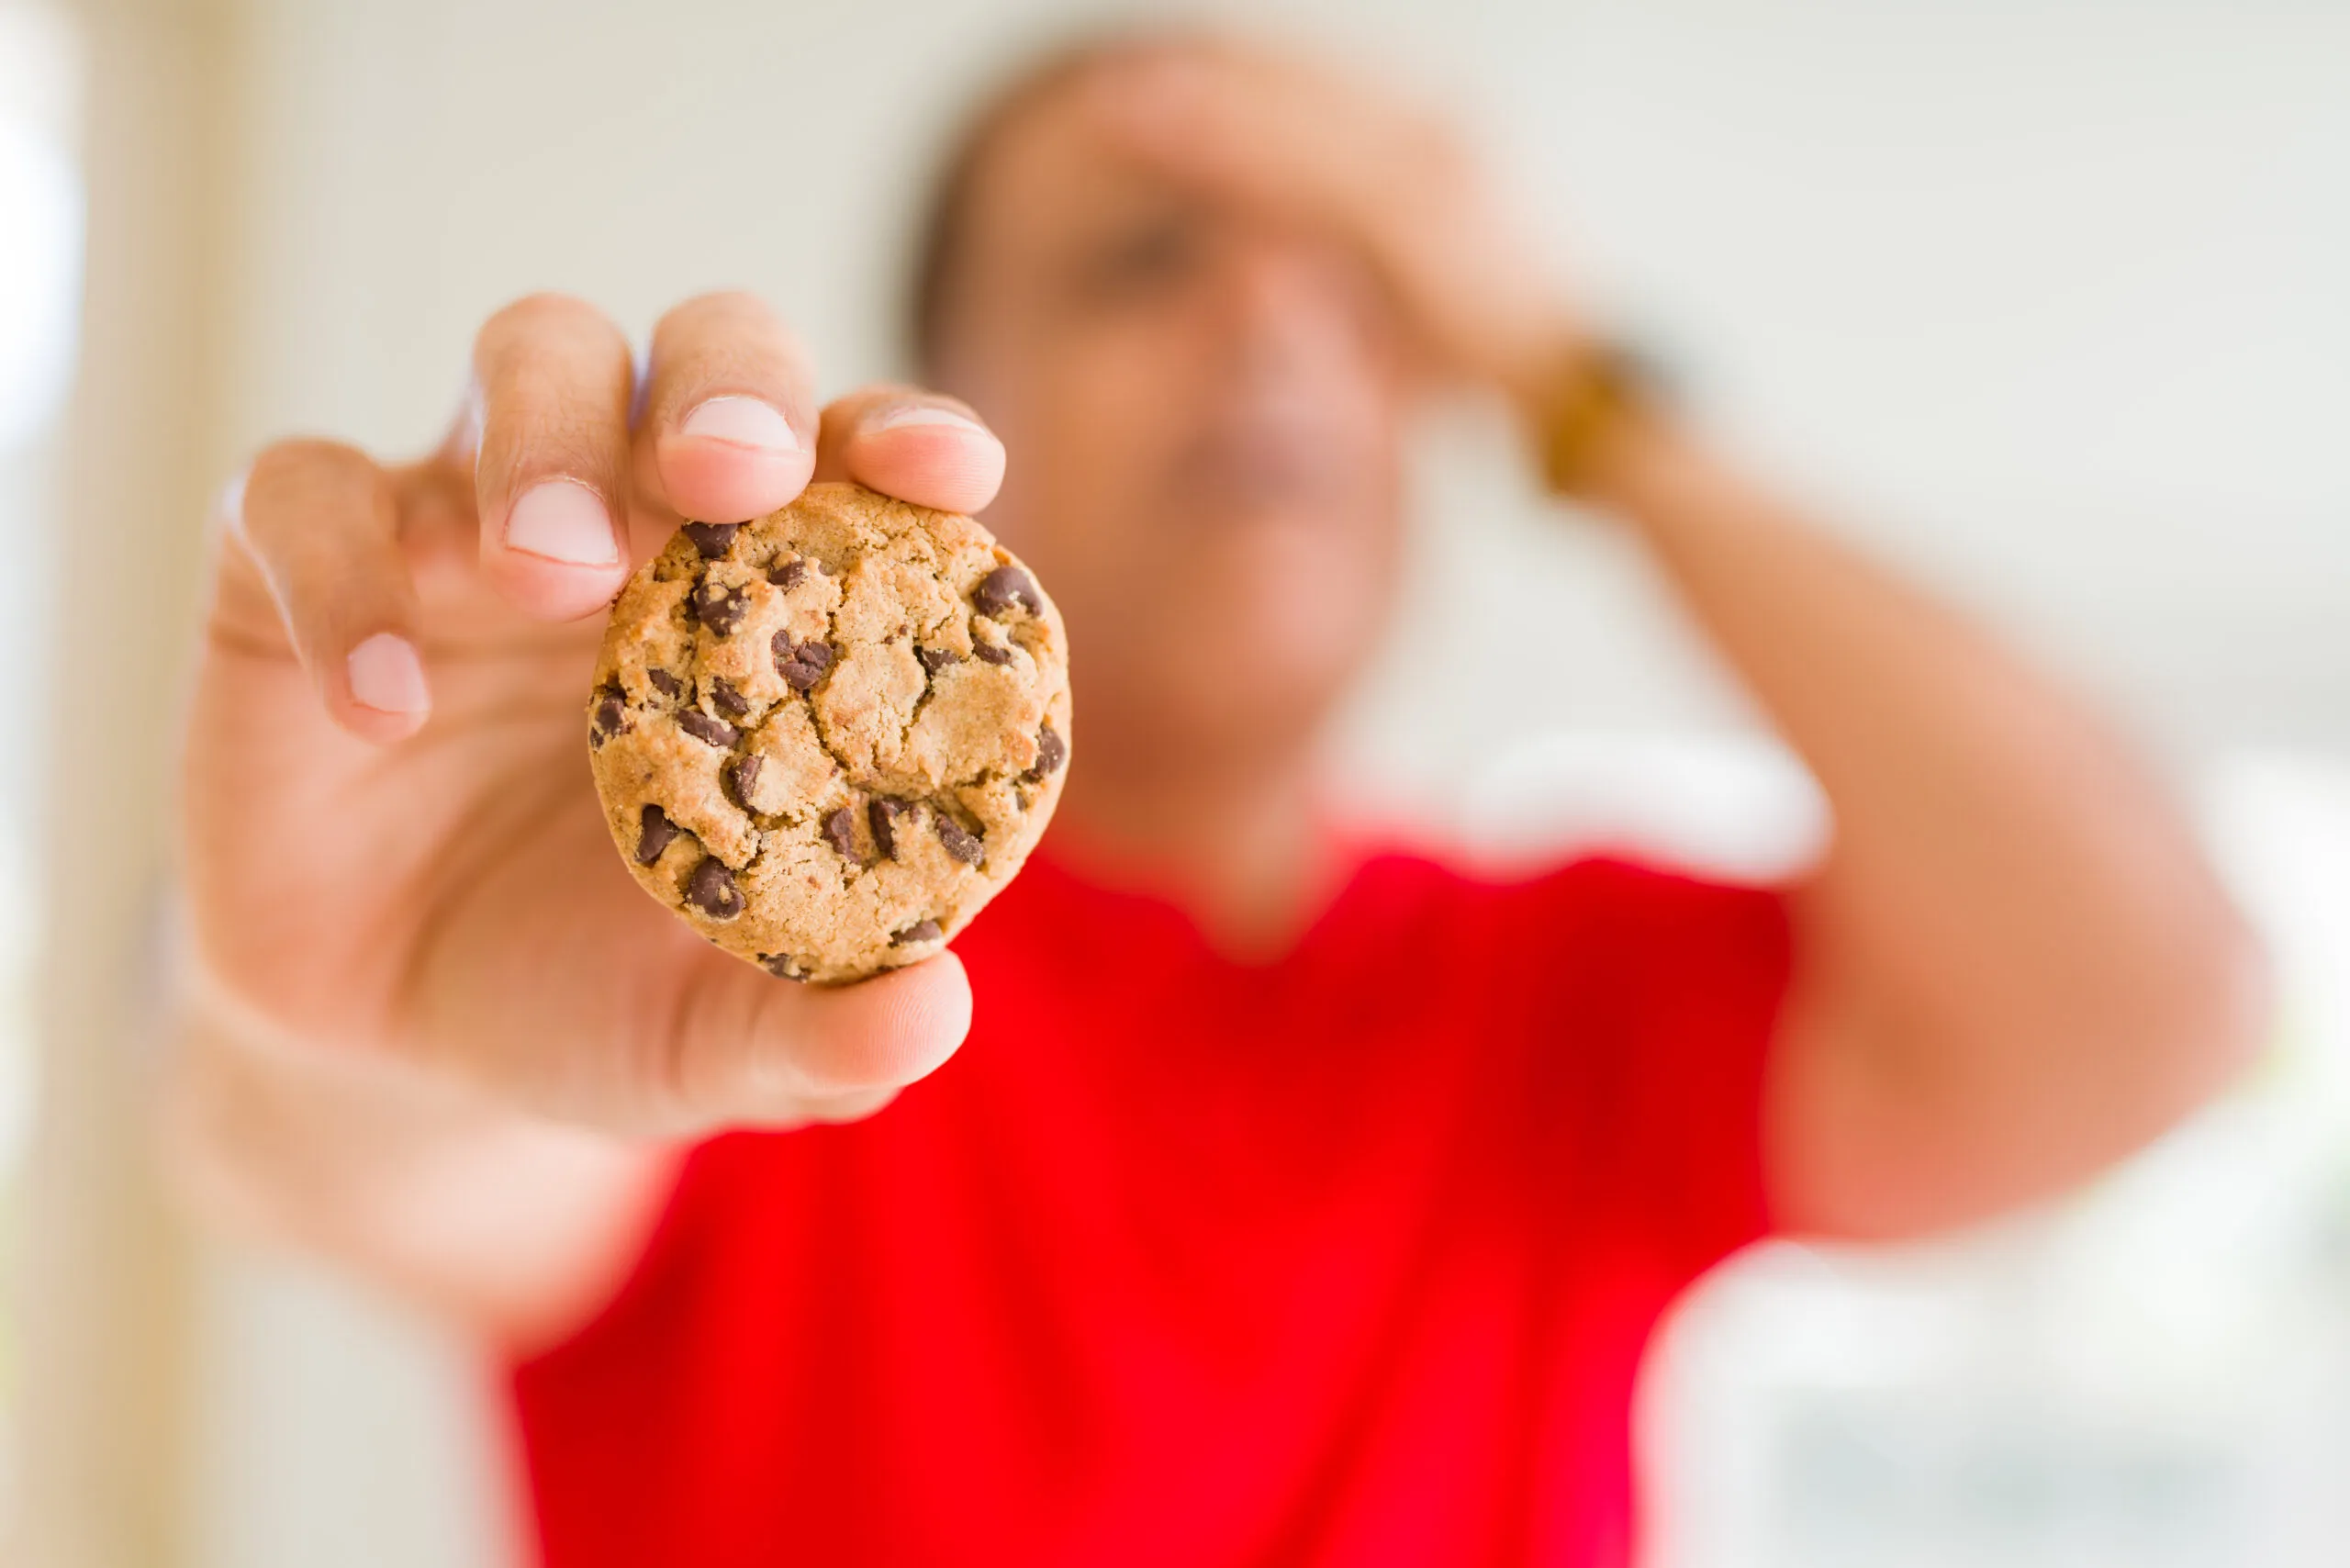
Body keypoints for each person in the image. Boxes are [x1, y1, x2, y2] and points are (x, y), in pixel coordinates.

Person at [171, 32, 2263, 1568]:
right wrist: (332, 1003)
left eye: (1361, 291)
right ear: (935, 417)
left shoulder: (1548, 998)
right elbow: (342, 1133)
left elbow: (2153, 1004)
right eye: (1144, 259)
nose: (1268, 316)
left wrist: (1574, 379)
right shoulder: (727, 983)